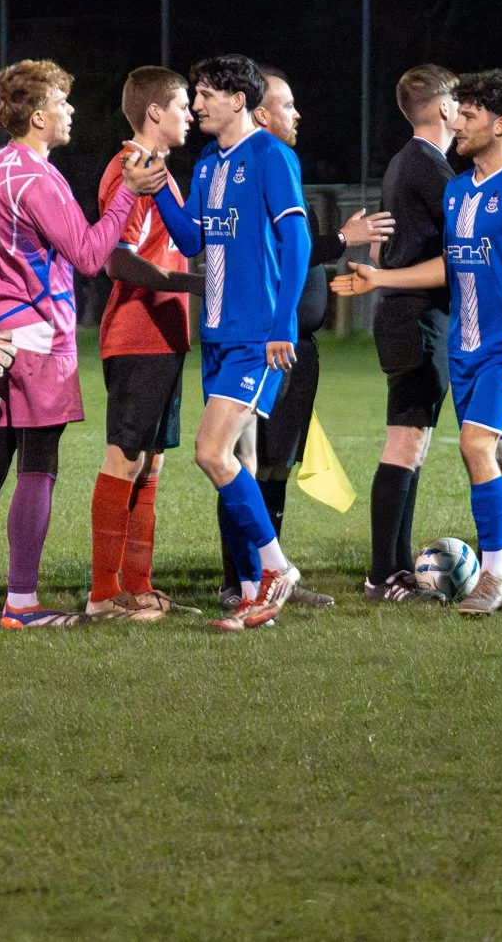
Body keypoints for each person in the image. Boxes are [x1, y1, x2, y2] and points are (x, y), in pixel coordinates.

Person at [335, 70, 502, 615]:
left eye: (469, 114)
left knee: (474, 445)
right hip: (464, 349)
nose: (458, 123)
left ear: (500, 124)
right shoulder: (458, 190)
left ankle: (490, 577)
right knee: (492, 454)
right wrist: (381, 279)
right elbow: (451, 264)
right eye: (458, 111)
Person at [0, 59, 165, 628]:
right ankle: (22, 602)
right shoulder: (38, 179)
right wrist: (128, 194)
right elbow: (90, 255)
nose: (70, 111)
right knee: (38, 465)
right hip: (41, 338)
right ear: (39, 116)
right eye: (62, 103)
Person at [214, 67, 389, 610]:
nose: (297, 114)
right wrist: (341, 238)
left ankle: (271, 575)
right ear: (259, 113)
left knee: (274, 466)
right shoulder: (253, 169)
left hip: (299, 348)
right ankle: (240, 580)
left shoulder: (277, 167)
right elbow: (280, 248)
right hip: (266, 344)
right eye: (287, 105)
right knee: (238, 460)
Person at [148, 54, 311, 632]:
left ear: (239, 100)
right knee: (239, 460)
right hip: (217, 336)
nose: (196, 104)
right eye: (195, 95)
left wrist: (283, 324)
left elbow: (297, 242)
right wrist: (159, 187)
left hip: (256, 337)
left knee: (210, 452)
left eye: (206, 94)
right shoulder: (207, 165)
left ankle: (277, 568)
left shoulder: (271, 155)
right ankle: (249, 591)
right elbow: (191, 237)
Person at [87, 66, 200, 622]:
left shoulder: (159, 172)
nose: (189, 116)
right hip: (137, 334)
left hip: (164, 336)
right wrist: (194, 284)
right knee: (125, 458)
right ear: (155, 112)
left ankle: (138, 585)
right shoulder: (131, 169)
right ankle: (103, 594)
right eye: (181, 106)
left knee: (151, 463)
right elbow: (117, 259)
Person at [363, 64, 458, 602]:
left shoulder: (405, 162)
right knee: (406, 441)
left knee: (412, 442)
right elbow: (463, 243)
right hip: (417, 317)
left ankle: (396, 568)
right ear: (444, 108)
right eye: (459, 103)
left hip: (404, 316)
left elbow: (382, 248)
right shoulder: (429, 166)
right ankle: (384, 574)